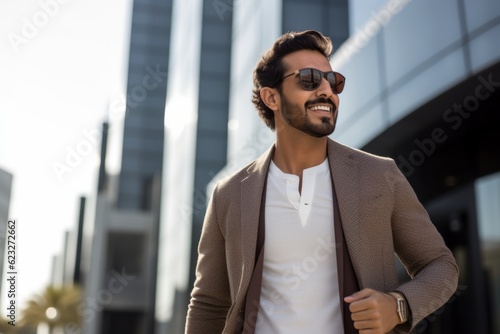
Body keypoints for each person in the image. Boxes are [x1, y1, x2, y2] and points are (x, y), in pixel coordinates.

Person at [185, 30, 459, 334]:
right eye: (309, 79)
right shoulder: (230, 193)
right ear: (271, 97)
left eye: (334, 81)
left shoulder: (379, 176)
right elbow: (209, 302)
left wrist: (399, 305)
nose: (327, 91)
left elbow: (439, 265)